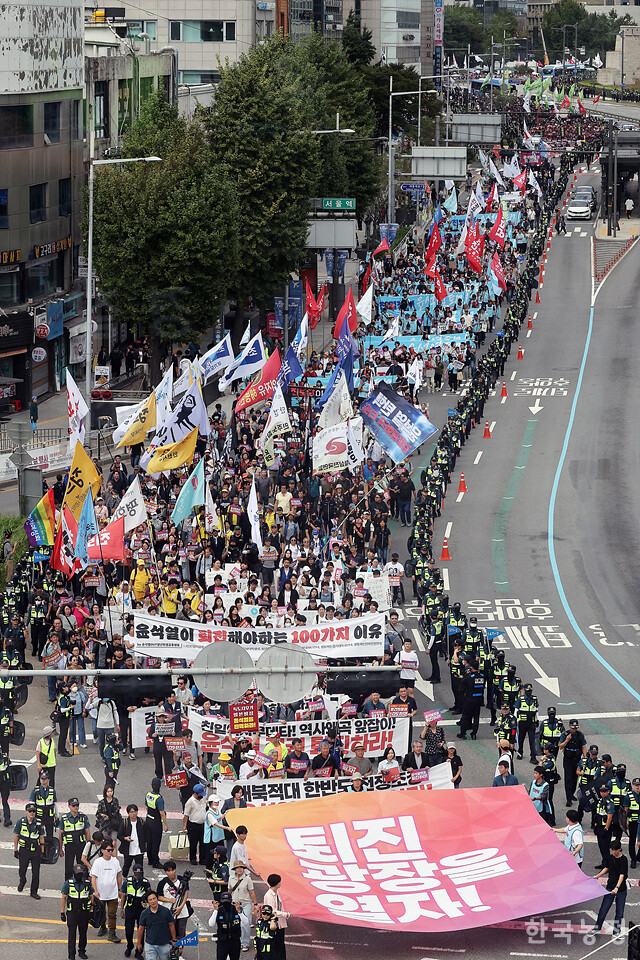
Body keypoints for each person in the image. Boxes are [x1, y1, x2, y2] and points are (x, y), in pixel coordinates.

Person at [90, 839, 123, 943]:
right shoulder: (98, 862)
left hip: (112, 893)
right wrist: (95, 891)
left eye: (111, 850)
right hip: (101, 894)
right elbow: (94, 877)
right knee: (102, 912)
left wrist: (119, 889)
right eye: (108, 850)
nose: (110, 852)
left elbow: (119, 876)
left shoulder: (115, 861)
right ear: (103, 850)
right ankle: (102, 926)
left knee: (112, 914)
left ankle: (112, 933)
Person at [593, 839, 628, 934]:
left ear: (619, 849)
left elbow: (622, 875)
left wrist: (617, 887)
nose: (613, 852)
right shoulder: (610, 857)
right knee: (603, 909)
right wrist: (597, 876)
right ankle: (597, 928)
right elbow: (606, 868)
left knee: (619, 912)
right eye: (612, 849)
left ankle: (617, 930)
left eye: (615, 850)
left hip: (621, 889)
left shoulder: (624, 860)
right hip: (610, 887)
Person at [61, 863, 94, 960]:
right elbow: (64, 897)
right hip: (72, 913)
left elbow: (91, 896)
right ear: (74, 874)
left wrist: (91, 910)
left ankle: (82, 951)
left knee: (83, 933)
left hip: (84, 913)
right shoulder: (68, 883)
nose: (79, 876)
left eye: (81, 874)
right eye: (77, 874)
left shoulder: (87, 883)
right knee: (72, 934)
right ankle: (71, 954)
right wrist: (62, 912)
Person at [13, 801, 45, 898]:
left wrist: (42, 851)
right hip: (24, 850)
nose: (32, 813)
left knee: (36, 872)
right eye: (30, 811)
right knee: (22, 870)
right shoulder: (21, 822)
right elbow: (16, 836)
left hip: (36, 851)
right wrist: (15, 850)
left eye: (34, 811)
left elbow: (41, 837)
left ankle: (34, 891)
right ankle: (22, 880)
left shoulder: (39, 823)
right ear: (26, 811)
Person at [120, 862, 150, 959]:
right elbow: (123, 895)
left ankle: (139, 951)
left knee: (141, 931)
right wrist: (121, 909)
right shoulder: (127, 882)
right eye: (136, 875)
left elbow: (150, 896)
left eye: (139, 875)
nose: (138, 877)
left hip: (141, 910)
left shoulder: (145, 882)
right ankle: (129, 946)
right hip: (130, 909)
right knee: (128, 930)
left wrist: (147, 904)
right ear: (133, 872)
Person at [137, 890, 176, 960]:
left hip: (164, 944)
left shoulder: (166, 911)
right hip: (150, 945)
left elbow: (171, 925)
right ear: (147, 902)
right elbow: (141, 928)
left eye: (154, 898)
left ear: (157, 899)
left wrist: (174, 940)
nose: (153, 901)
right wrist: (139, 943)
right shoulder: (144, 913)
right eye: (150, 900)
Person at [157, 860, 190, 941]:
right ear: (165, 872)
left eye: (172, 870)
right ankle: (170, 949)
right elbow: (158, 897)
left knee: (181, 934)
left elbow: (186, 893)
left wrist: (181, 907)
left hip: (182, 912)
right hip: (168, 911)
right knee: (168, 933)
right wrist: (169, 900)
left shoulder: (182, 880)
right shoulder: (162, 883)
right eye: (168, 871)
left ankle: (179, 950)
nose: (171, 872)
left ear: (175, 870)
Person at [228, 862, 257, 952]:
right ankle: (237, 941)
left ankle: (245, 943)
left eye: (241, 867)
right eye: (238, 868)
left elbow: (251, 892)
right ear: (235, 869)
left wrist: (255, 904)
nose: (240, 869)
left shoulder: (247, 879)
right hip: (235, 904)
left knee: (245, 924)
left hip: (246, 904)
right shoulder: (231, 878)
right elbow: (229, 891)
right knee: (235, 924)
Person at [60, 798, 91, 880]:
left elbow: (87, 832)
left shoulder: (83, 817)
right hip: (69, 846)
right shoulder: (64, 818)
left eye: (77, 805)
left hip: (81, 845)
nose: (76, 807)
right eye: (73, 805)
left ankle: (83, 883)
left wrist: (89, 847)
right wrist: (60, 849)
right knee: (68, 867)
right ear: (69, 806)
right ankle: (67, 884)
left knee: (82, 866)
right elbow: (61, 835)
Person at [559, 719, 586, 806]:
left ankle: (572, 794)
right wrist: (567, 740)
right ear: (570, 726)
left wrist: (585, 758)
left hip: (577, 759)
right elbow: (560, 746)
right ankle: (568, 798)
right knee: (568, 779)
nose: (574, 729)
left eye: (576, 728)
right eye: (573, 728)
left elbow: (583, 746)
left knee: (575, 778)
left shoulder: (580, 735)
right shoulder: (565, 734)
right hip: (568, 760)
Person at [263, 873, 289, 960]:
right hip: (274, 923)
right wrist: (285, 914)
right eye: (279, 882)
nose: (281, 883)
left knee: (280, 944)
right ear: (276, 883)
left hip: (279, 923)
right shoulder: (270, 895)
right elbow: (272, 911)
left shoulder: (275, 893)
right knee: (276, 944)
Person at [457, 659, 484, 740]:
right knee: (476, 717)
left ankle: (463, 733)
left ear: (471, 667)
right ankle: (474, 734)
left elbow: (462, 683)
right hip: (479, 699)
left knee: (465, 716)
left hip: (470, 699)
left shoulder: (470, 677)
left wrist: (466, 674)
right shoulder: (482, 676)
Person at [118, 802, 147, 877]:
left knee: (140, 868)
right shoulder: (125, 823)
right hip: (128, 850)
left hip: (139, 850)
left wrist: (145, 845)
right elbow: (119, 835)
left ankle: (140, 882)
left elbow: (146, 835)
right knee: (126, 866)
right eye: (131, 812)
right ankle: (124, 878)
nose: (134, 813)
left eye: (135, 811)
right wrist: (125, 838)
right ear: (128, 813)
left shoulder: (141, 821)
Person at [182, 782, 207, 865]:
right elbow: (186, 816)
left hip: (203, 824)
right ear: (195, 794)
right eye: (200, 794)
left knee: (203, 843)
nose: (201, 796)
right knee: (193, 843)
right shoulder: (190, 802)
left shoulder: (203, 799)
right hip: (193, 825)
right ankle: (193, 858)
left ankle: (202, 859)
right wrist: (184, 827)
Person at [145, 778, 169, 868]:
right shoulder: (159, 799)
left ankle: (150, 860)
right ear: (159, 786)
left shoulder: (148, 795)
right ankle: (156, 862)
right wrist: (166, 825)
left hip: (148, 820)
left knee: (149, 841)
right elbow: (162, 813)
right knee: (156, 842)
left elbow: (147, 807)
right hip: (156, 822)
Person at [214, 890, 242, 960]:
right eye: (224, 901)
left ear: (231, 900)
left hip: (235, 941)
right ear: (221, 900)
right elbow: (211, 924)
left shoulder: (236, 909)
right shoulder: (219, 910)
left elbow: (246, 922)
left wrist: (239, 912)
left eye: (228, 901)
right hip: (222, 941)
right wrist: (215, 911)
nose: (226, 903)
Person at [30, 768, 58, 836]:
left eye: (45, 779)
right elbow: (31, 804)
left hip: (49, 816)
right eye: (42, 779)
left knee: (50, 834)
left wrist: (57, 816)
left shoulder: (52, 790)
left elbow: (55, 804)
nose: (43, 780)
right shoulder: (35, 790)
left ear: (48, 780)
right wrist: (31, 817)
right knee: (38, 834)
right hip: (39, 816)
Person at [594, 782, 615, 869]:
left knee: (605, 848)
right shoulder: (600, 801)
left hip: (605, 828)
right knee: (601, 847)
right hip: (599, 826)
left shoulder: (609, 803)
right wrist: (595, 825)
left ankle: (608, 866)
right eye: (601, 791)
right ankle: (604, 863)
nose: (603, 793)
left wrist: (606, 829)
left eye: (605, 791)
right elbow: (598, 814)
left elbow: (609, 818)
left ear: (608, 792)